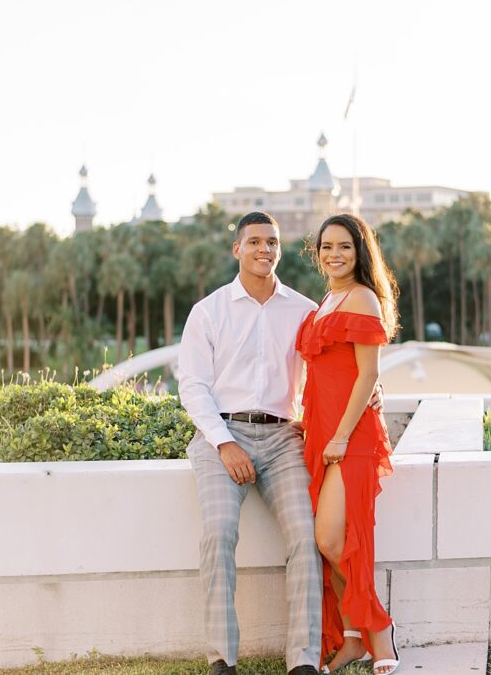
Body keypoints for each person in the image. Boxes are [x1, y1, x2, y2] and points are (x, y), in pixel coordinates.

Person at [178, 211, 324, 675]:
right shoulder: (209, 311)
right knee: (219, 533)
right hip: (221, 436)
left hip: (283, 438)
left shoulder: (303, 310)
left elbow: (329, 370)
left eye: (273, 242)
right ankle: (222, 659)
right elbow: (193, 386)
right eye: (255, 241)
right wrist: (223, 443)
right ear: (237, 249)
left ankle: (302, 662)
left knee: (307, 535)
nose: (265, 249)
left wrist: (370, 389)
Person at [296, 213, 400, 675]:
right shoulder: (328, 299)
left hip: (349, 436)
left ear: (360, 252)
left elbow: (369, 373)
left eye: (344, 247)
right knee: (331, 541)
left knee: (334, 538)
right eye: (326, 247)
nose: (334, 255)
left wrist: (340, 435)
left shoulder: (361, 298)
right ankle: (355, 638)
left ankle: (380, 636)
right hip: (320, 433)